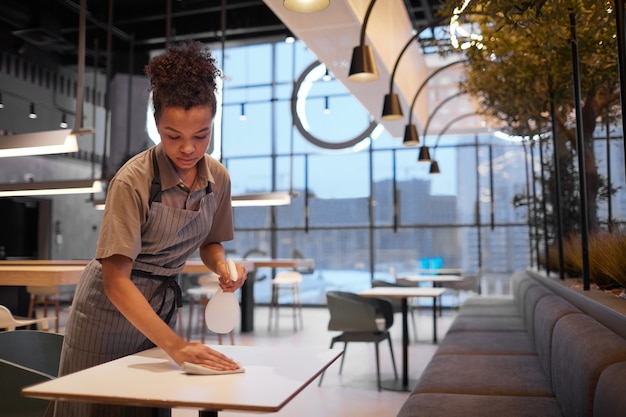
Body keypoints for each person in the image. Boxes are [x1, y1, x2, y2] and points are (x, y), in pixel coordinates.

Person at [52, 40, 247, 417]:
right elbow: (115, 280)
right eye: (174, 136)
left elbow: (211, 242)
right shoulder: (133, 181)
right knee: (95, 406)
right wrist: (176, 345)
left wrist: (222, 267)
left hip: (160, 307)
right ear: (157, 125)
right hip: (106, 314)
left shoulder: (217, 179)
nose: (188, 148)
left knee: (149, 407)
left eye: (201, 135)